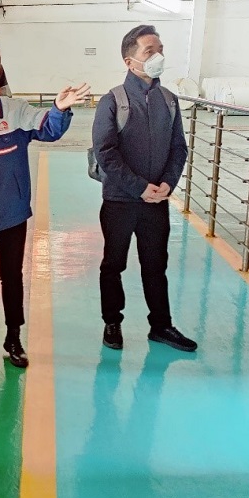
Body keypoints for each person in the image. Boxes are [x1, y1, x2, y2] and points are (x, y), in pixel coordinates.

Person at [0, 44, 90, 367]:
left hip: (11, 208)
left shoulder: (15, 111)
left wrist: (59, 108)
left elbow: (48, 129)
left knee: (11, 274)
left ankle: (13, 338)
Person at [91, 24, 196, 353]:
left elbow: (179, 148)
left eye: (160, 50)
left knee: (156, 264)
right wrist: (139, 187)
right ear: (129, 61)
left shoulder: (169, 101)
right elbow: (106, 152)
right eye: (149, 51)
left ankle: (161, 325)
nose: (158, 57)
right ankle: (112, 323)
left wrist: (167, 183)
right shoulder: (113, 101)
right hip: (120, 201)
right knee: (113, 264)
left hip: (156, 202)